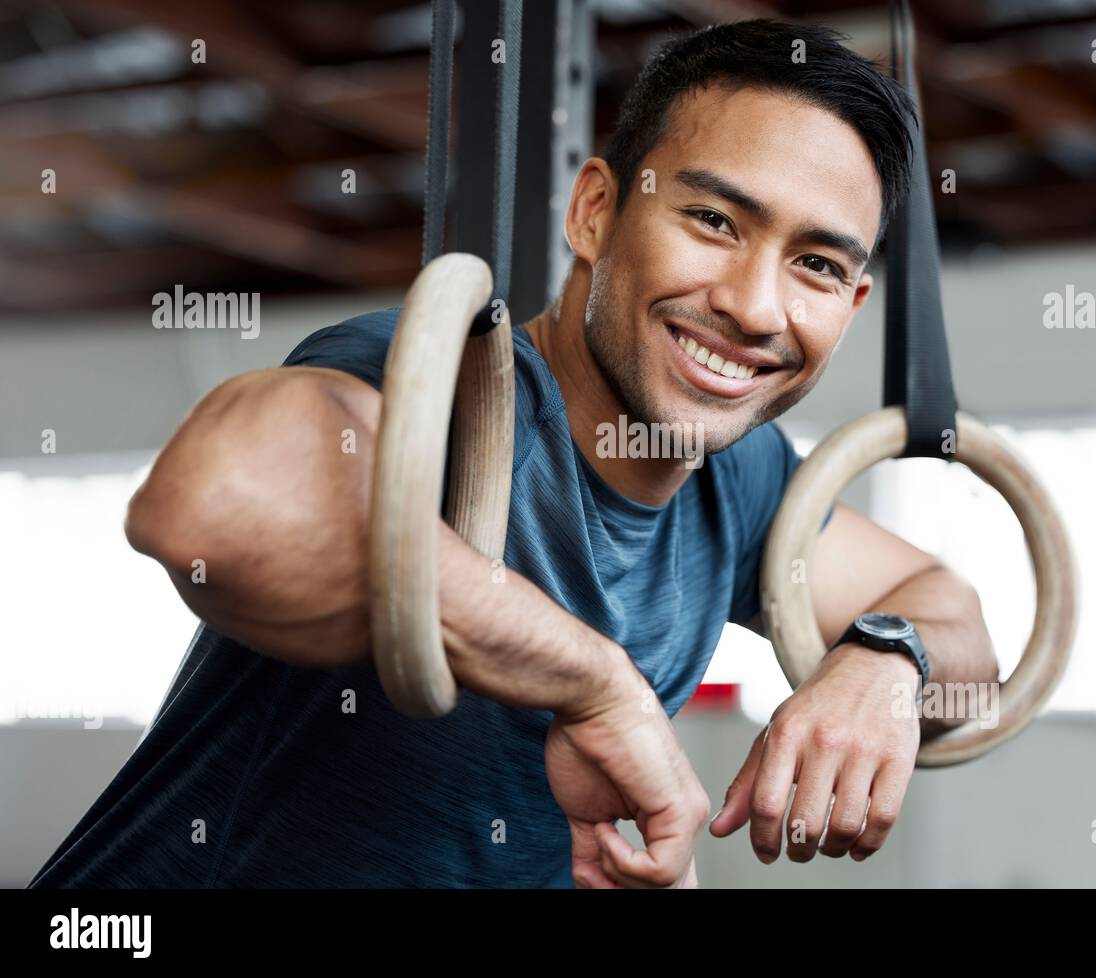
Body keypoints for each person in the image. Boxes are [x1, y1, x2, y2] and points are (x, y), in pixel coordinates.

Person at [30, 18, 996, 890]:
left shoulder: (740, 486)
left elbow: (950, 615)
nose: (753, 305)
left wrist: (886, 662)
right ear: (595, 215)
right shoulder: (435, 385)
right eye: (713, 220)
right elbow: (207, 508)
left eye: (816, 265)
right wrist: (594, 683)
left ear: (852, 306)